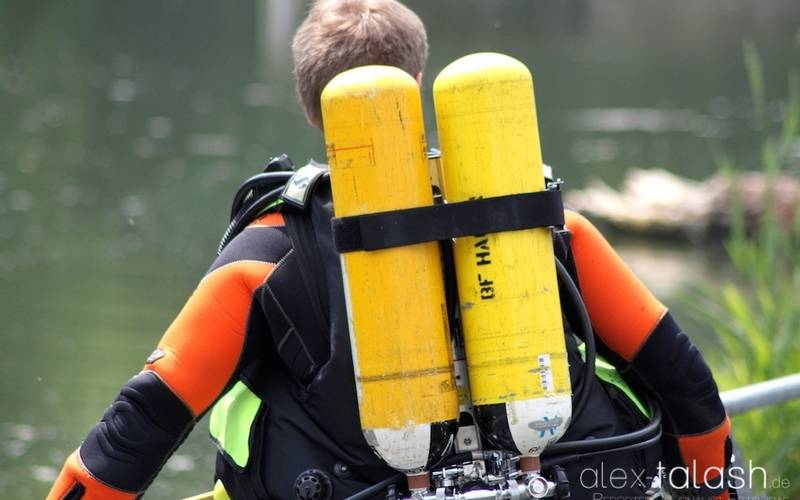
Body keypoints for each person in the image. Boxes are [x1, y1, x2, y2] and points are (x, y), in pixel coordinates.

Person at [48, 1, 733, 499]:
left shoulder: (263, 260)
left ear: (314, 112)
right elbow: (689, 386)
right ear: (418, 85)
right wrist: (720, 492)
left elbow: (132, 434)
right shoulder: (546, 230)